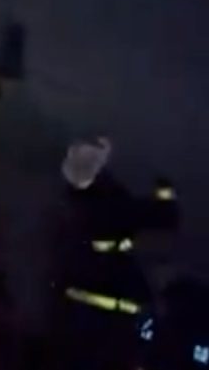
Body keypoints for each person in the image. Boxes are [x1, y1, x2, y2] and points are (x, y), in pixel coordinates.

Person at [51, 137, 182, 369]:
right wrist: (165, 187)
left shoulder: (68, 204)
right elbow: (165, 216)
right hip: (115, 314)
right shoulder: (108, 203)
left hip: (76, 315)